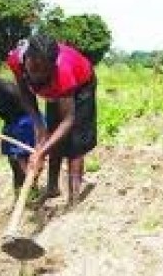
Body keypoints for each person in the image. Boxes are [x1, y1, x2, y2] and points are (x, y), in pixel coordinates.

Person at [6, 34, 98, 207]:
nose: (38, 76)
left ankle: (74, 199)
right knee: (51, 133)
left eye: (45, 71)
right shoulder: (15, 60)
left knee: (75, 142)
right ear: (26, 58)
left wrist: (40, 153)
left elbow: (69, 119)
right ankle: (52, 188)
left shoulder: (63, 71)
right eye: (34, 69)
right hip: (54, 89)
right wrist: (39, 127)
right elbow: (25, 94)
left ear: (53, 65)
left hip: (80, 87)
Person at [0, 77, 36, 196]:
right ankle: (25, 192)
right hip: (20, 122)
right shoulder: (3, 84)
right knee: (19, 161)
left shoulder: (5, 88)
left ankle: (26, 193)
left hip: (22, 123)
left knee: (18, 161)